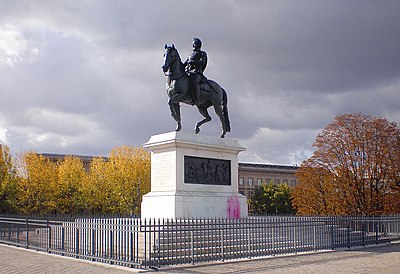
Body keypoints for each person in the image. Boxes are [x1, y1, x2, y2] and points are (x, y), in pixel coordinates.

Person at [184, 38, 208, 105]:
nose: (193, 45)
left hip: (197, 72)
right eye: (193, 43)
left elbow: (202, 62)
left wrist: (193, 62)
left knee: (194, 82)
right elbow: (184, 64)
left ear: (197, 44)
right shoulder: (191, 54)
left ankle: (196, 99)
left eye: (194, 43)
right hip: (189, 72)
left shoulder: (202, 53)